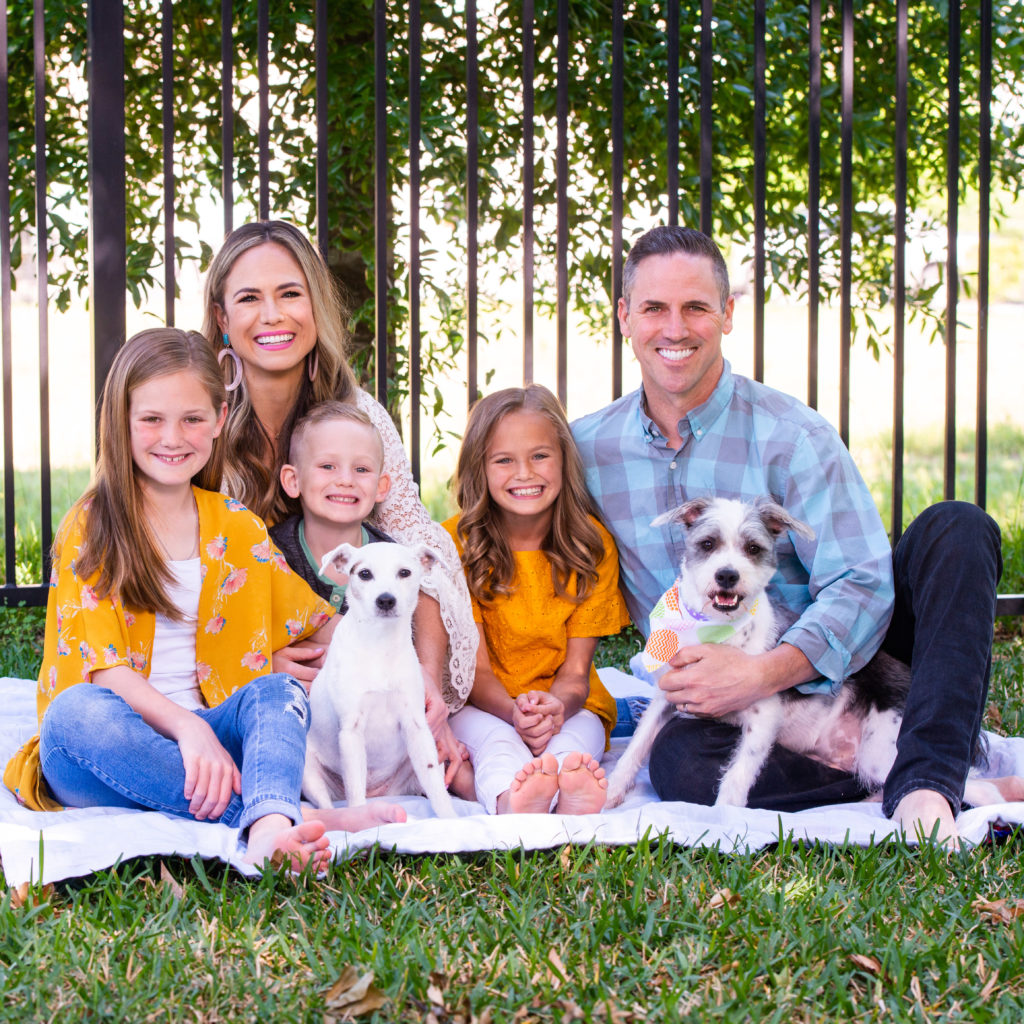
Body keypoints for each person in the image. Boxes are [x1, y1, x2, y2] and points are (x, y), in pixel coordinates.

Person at [572, 224, 1017, 846]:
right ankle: (895, 773)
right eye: (654, 308)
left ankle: (925, 782)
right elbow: (512, 545)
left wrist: (765, 672)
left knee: (959, 527)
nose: (674, 329)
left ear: (727, 314)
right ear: (625, 316)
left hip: (860, 666)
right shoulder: (584, 451)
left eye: (696, 307)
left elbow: (861, 582)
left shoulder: (792, 433)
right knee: (680, 765)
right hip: (724, 698)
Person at [2, 329, 404, 871]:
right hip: (110, 748)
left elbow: (323, 624)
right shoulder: (93, 524)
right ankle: (269, 817)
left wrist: (413, 679)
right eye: (151, 419)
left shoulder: (235, 527)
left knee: (278, 692)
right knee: (76, 714)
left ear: (219, 419)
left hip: (215, 736)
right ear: (120, 421)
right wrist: (188, 730)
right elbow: (104, 671)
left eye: (193, 419)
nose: (173, 437)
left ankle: (267, 828)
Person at [201, 221, 476, 749]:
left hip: (358, 652)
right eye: (249, 298)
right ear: (222, 318)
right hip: (229, 647)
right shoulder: (198, 418)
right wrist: (256, 656)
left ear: (316, 303)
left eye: (290, 293)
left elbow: (419, 547)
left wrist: (424, 677)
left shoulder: (357, 415)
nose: (273, 315)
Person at [269, 399, 474, 798]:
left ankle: (496, 802)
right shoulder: (272, 552)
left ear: (382, 486)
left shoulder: (392, 558)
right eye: (328, 467)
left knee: (455, 764)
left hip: (383, 723)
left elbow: (402, 645)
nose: (345, 480)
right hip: (312, 714)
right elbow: (255, 624)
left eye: (361, 470)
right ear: (292, 480)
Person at [444, 385, 630, 815]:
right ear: (480, 468)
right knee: (497, 743)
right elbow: (475, 672)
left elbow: (577, 673)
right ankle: (511, 801)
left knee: (577, 739)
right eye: (504, 460)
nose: (524, 473)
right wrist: (515, 714)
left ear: (565, 461)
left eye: (540, 456)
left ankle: (571, 786)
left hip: (567, 702)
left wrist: (556, 708)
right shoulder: (456, 543)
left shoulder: (591, 545)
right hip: (481, 702)